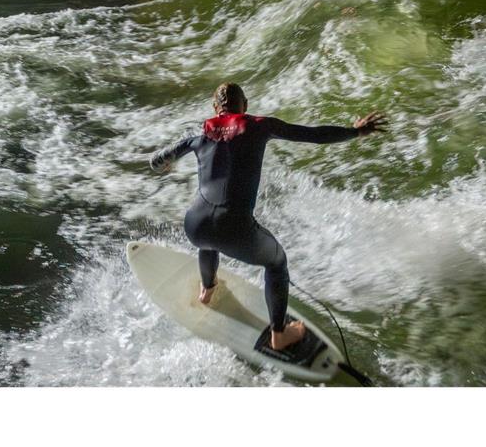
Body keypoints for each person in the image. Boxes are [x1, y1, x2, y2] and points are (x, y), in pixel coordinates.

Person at [149, 83, 386, 352]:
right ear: (245, 106)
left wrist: (164, 166)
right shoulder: (260, 125)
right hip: (235, 230)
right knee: (276, 263)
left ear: (216, 109)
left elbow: (156, 162)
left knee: (208, 242)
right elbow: (312, 134)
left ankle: (207, 290)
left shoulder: (198, 136)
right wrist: (354, 132)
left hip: (194, 225)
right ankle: (279, 334)